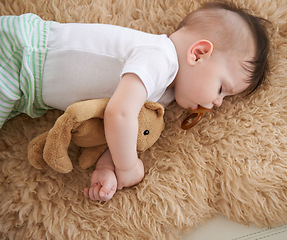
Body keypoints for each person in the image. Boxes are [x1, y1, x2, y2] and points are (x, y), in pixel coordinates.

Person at [0, 1, 270, 201]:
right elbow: (118, 114)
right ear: (198, 54)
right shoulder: (159, 57)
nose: (219, 103)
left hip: (26, 92)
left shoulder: (163, 95)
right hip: (21, 54)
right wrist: (127, 166)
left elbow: (121, 132)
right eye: (222, 88)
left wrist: (108, 167)